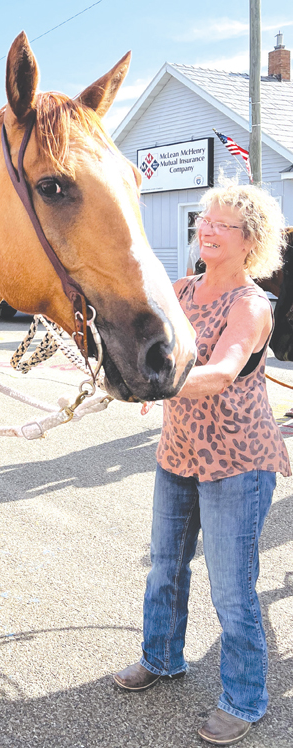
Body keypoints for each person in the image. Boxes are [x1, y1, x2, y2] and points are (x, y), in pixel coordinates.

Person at [114, 184, 291, 746]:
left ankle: (245, 698)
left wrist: (158, 382)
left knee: (232, 589)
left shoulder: (251, 304)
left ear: (251, 242)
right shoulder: (182, 287)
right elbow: (151, 342)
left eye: (223, 225)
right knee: (165, 566)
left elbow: (218, 374)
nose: (207, 229)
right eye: (204, 220)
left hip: (238, 460)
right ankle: (161, 658)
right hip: (179, 452)